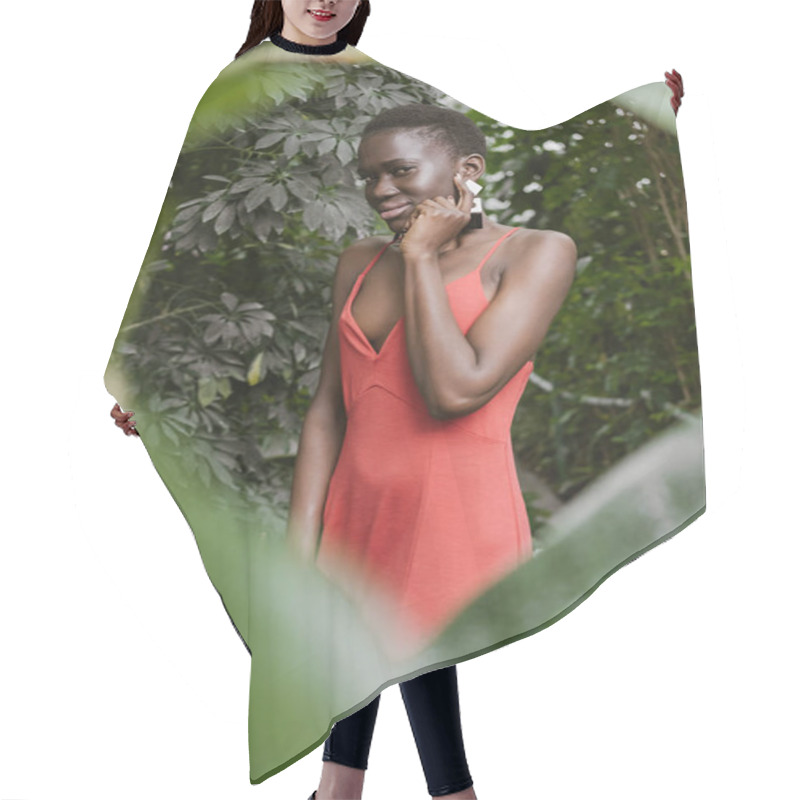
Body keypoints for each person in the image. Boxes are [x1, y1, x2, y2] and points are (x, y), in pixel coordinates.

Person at [112, 3, 576, 798]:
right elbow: (329, 408)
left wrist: (427, 258)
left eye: (403, 170)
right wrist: (301, 545)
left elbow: (455, 387)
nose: (382, 189)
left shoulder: (535, 252)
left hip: (453, 508)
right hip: (357, 505)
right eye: (370, 174)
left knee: (394, 643)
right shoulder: (360, 258)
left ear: (469, 169)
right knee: (348, 644)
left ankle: (376, 792)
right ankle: (350, 790)